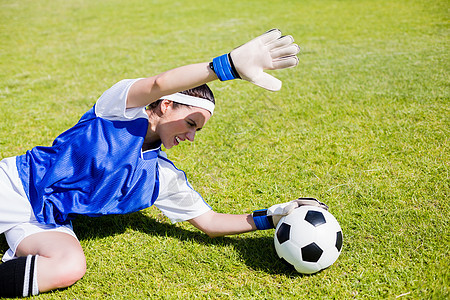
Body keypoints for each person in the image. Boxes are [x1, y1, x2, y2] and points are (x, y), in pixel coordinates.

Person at [0, 29, 327, 297]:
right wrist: (223, 67)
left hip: (47, 221)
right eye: (191, 124)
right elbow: (157, 83)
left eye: (197, 130)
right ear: (167, 105)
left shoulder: (161, 176)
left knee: (70, 266)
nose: (192, 137)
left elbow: (210, 222)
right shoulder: (118, 111)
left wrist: (273, 216)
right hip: (17, 184)